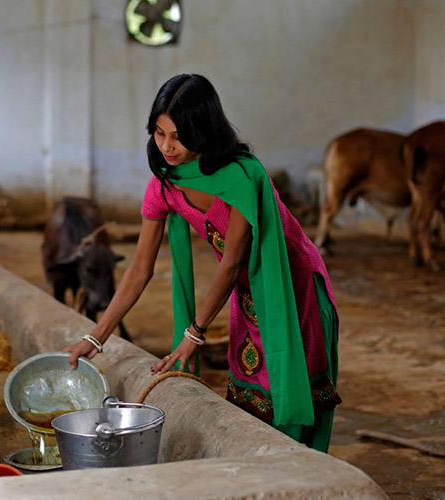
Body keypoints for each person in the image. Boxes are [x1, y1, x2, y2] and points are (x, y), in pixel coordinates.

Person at [63, 73, 341, 452]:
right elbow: (139, 268)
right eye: (159, 133)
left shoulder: (242, 175)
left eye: (178, 135)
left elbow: (231, 262)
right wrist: (97, 336)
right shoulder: (164, 184)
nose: (167, 146)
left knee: (288, 392)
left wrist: (193, 335)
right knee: (251, 394)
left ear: (204, 130)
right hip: (246, 292)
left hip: (291, 288)